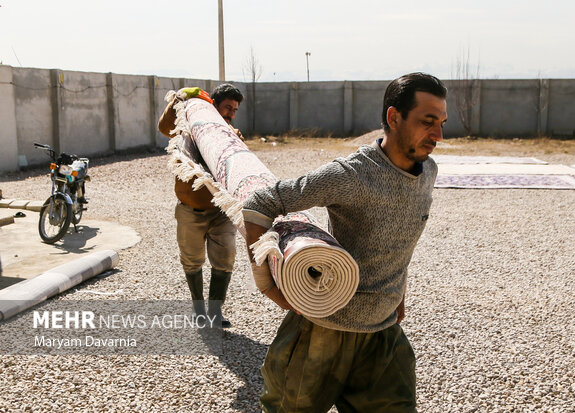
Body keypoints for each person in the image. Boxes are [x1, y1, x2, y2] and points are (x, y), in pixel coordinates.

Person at [243, 72, 447, 411]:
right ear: (394, 118)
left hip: (382, 338)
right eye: (428, 122)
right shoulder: (350, 175)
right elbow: (260, 203)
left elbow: (403, 236)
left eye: (441, 123)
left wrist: (399, 294)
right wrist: (267, 284)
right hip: (321, 333)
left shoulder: (428, 172)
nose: (438, 135)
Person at [158, 83, 244, 328]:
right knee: (192, 260)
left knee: (225, 257)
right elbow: (164, 128)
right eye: (227, 107)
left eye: (235, 110)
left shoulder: (231, 135)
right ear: (213, 105)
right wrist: (179, 100)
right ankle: (198, 311)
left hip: (221, 212)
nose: (230, 113)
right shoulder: (188, 129)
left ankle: (215, 313)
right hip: (190, 210)